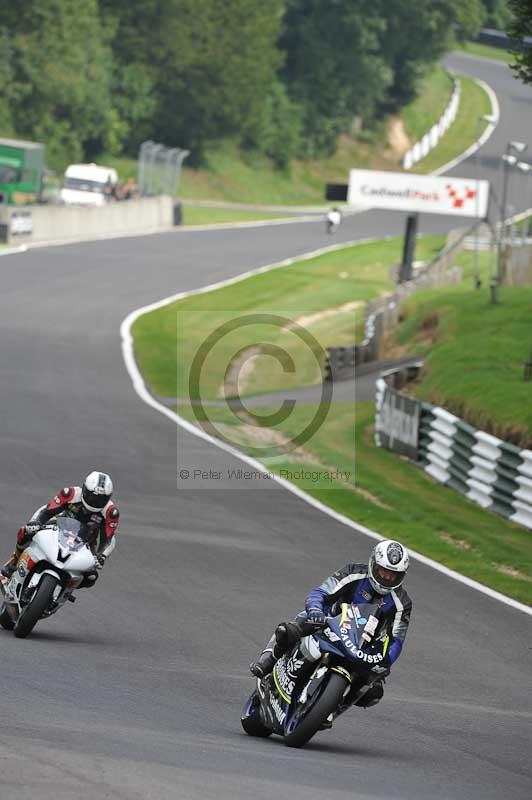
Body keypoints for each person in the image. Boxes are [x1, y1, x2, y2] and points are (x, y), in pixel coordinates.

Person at [250, 539, 412, 718]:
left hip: (365, 647)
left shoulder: (401, 603)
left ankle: (334, 708)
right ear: (373, 564)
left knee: (374, 692)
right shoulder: (353, 573)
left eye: (393, 575)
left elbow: (397, 639)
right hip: (331, 622)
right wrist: (315, 610)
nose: (387, 578)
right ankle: (269, 659)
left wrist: (386, 660)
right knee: (294, 625)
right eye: (384, 571)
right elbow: (321, 592)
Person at [1, 472, 119, 586]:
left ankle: (65, 588)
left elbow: (108, 538)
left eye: (101, 500)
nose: (95, 501)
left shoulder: (110, 512)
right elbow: (47, 511)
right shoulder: (70, 493)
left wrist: (101, 556)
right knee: (26, 532)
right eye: (92, 496)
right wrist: (36, 523)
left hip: (86, 541)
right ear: (84, 489)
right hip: (57, 526)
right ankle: (14, 561)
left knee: (91, 577)